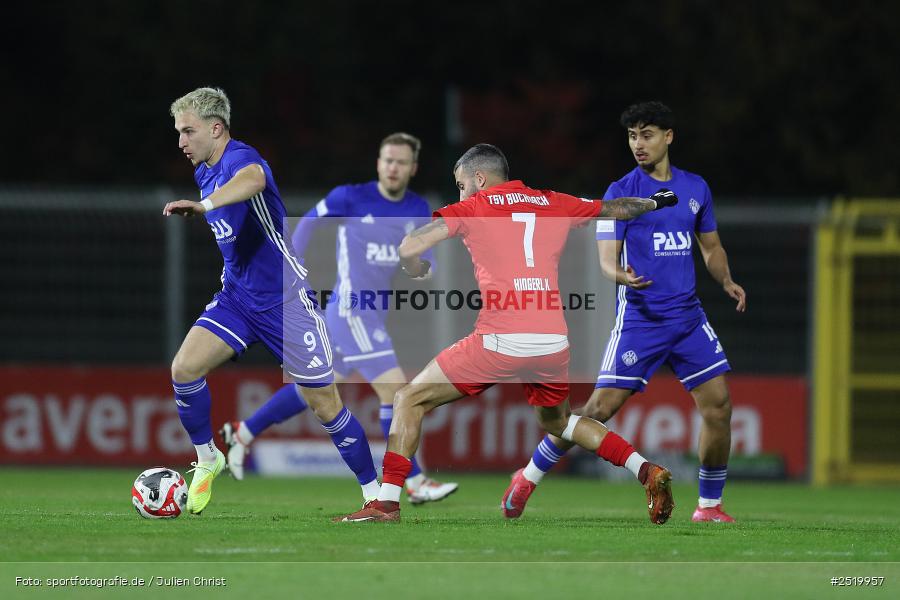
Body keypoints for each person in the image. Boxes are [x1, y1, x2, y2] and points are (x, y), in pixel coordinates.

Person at [337, 143, 679, 523]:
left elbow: (409, 244)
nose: (460, 193)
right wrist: (654, 203)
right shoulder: (551, 201)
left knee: (408, 399)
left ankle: (385, 503)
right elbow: (614, 209)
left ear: (479, 179)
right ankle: (647, 470)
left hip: (500, 339)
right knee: (560, 422)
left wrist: (414, 266)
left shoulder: (474, 207)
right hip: (552, 340)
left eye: (461, 184)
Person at [502, 101, 746, 523]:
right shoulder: (620, 192)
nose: (638, 143)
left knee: (719, 406)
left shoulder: (695, 189)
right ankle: (527, 477)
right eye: (632, 135)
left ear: (668, 137)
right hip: (640, 320)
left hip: (688, 319)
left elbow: (711, 246)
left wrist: (724, 279)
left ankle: (708, 506)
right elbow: (605, 259)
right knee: (597, 411)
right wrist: (621, 275)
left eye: (647, 134)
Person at [164, 87, 380, 514]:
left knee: (325, 404)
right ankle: (209, 457)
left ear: (216, 127)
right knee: (184, 368)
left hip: (286, 301)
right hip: (237, 298)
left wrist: (206, 206)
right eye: (178, 132)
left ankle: (375, 498)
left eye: (188, 131)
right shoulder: (203, 171)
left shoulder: (239, 158)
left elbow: (254, 180)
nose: (181, 142)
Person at [219, 133, 458, 504]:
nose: (392, 167)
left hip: (373, 312)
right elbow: (309, 222)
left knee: (316, 388)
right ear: (378, 163)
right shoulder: (350, 196)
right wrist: (291, 266)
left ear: (413, 168)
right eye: (387, 160)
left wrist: (423, 268)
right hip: (351, 310)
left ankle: (244, 431)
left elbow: (428, 260)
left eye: (400, 162)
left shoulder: (417, 208)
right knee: (397, 393)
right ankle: (415, 480)